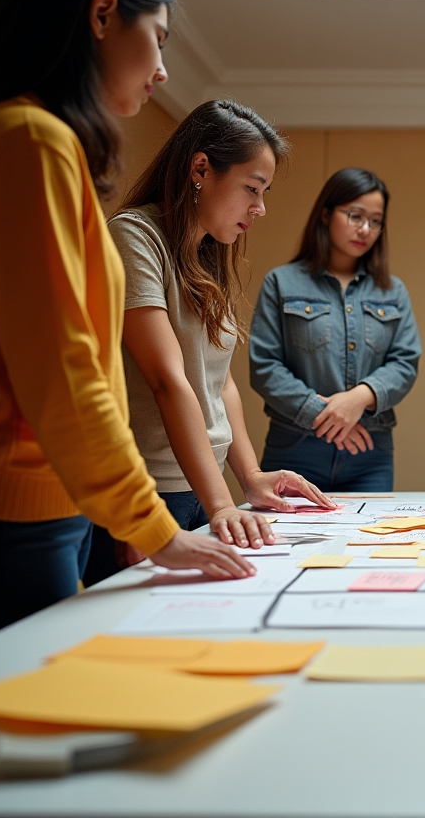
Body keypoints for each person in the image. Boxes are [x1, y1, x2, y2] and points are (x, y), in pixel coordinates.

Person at [0, 0, 251, 634]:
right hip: (21, 508)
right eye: (159, 37)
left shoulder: (33, 140)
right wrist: (155, 525)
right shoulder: (31, 140)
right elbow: (67, 370)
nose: (163, 67)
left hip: (51, 500)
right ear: (103, 15)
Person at [85, 100, 335, 581]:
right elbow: (167, 379)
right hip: (150, 491)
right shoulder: (134, 235)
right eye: (252, 189)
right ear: (201, 168)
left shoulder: (208, 256)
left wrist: (249, 479)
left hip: (202, 489)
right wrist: (222, 502)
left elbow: (219, 385)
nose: (259, 208)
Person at [249, 168, 421, 493]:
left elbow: (405, 362)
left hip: (369, 454)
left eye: (376, 221)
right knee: (285, 541)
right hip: (295, 451)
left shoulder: (392, 291)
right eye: (355, 216)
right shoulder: (281, 282)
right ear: (326, 214)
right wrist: (326, 415)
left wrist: (359, 398)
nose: (366, 229)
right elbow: (265, 367)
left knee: (368, 542)